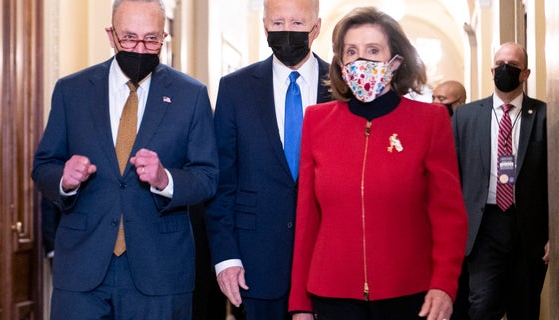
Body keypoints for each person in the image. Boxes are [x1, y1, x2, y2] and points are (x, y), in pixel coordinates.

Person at [31, 0, 218, 318]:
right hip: (82, 270)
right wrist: (64, 178)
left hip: (160, 272)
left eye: (151, 39)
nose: (141, 49)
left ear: (163, 37)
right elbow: (43, 166)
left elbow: (207, 176)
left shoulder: (191, 95)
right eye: (129, 38)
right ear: (111, 34)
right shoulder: (71, 91)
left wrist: (165, 180)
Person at [288, 7, 468, 320]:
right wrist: (300, 304)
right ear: (341, 64)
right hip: (332, 295)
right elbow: (307, 219)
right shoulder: (317, 122)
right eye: (351, 52)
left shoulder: (430, 121)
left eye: (373, 51)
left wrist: (444, 284)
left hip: (409, 294)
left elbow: (448, 215)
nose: (361, 61)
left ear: (395, 62)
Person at [204, 0, 331, 319]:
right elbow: (222, 182)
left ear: (316, 27)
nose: (287, 31)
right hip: (254, 263)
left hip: (328, 262)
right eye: (278, 23)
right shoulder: (235, 88)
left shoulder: (341, 86)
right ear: (264, 26)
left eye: (298, 24)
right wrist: (227, 257)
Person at [451, 42, 549, 320]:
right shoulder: (465, 116)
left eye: (513, 66)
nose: (505, 70)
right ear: (491, 70)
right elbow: (452, 177)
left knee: (525, 308)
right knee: (482, 306)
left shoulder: (545, 116)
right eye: (500, 65)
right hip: (483, 227)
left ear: (526, 73)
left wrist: (554, 234)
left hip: (529, 229)